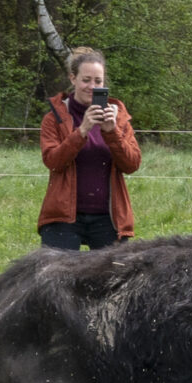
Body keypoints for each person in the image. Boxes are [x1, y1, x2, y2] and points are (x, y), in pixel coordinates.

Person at [37, 46, 142, 250]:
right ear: (73, 79)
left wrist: (112, 132)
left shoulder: (118, 117)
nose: (92, 87)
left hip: (108, 216)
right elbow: (53, 162)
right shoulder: (54, 118)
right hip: (63, 215)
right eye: (86, 80)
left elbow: (132, 164)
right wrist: (82, 130)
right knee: (57, 270)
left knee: (113, 271)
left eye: (98, 81)